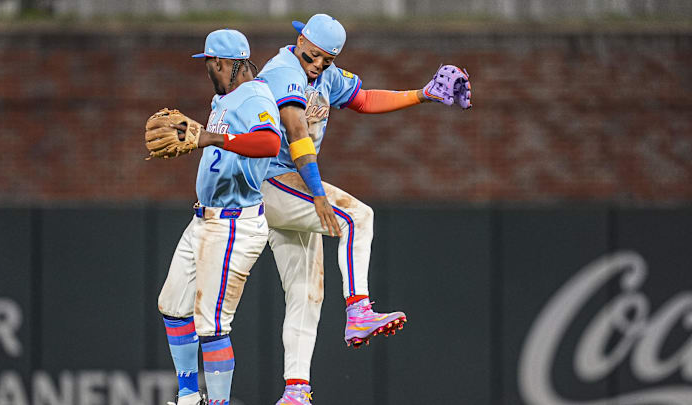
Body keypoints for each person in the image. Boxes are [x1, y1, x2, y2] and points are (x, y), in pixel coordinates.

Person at [255, 14, 472, 404]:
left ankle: (295, 391)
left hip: (289, 187)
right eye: (316, 55)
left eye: (327, 58)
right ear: (301, 39)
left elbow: (364, 99)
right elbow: (296, 132)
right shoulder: (283, 70)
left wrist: (421, 94)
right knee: (358, 216)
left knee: (306, 294)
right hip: (270, 181)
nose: (319, 64)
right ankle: (358, 310)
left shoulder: (325, 74)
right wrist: (319, 193)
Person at [152, 29, 282, 405]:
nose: (208, 68)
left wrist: (213, 139)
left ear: (226, 63)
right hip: (205, 220)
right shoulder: (224, 99)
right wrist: (199, 136)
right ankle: (190, 397)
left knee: (211, 324)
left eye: (210, 62)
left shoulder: (255, 95)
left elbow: (270, 142)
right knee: (173, 305)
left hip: (234, 223)